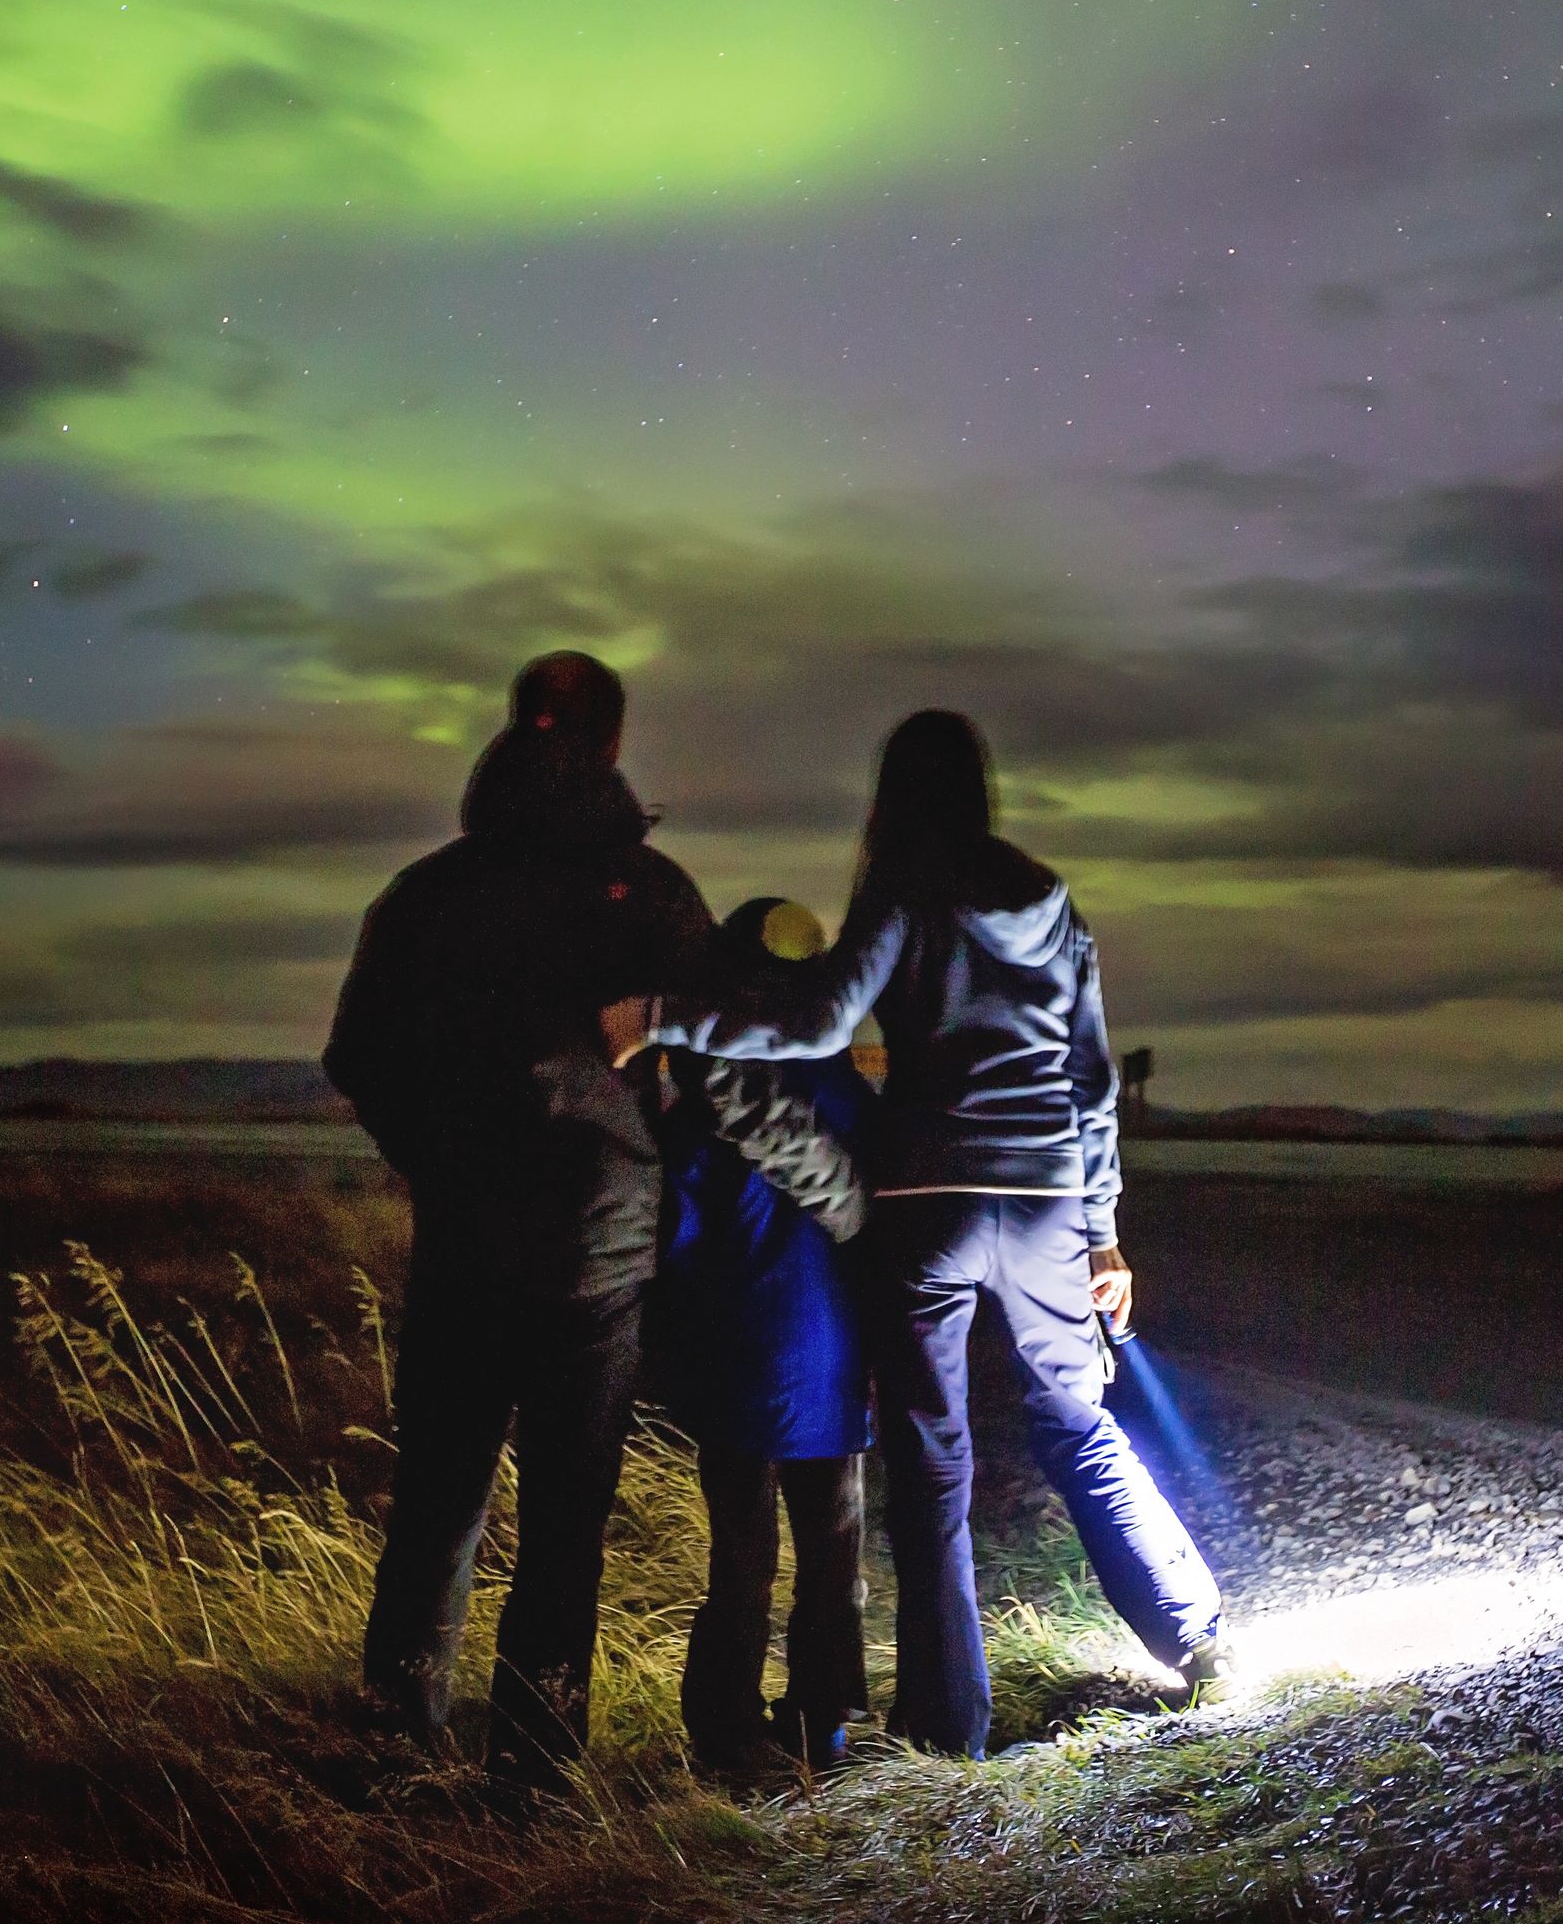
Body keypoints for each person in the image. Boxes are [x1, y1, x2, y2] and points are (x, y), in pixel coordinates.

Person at [612, 709, 1223, 1757]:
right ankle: (1195, 1635)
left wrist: (665, 1014)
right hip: (1042, 1205)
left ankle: (949, 1729)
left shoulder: (899, 888)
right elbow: (1090, 1083)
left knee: (933, 1466)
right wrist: (1103, 1234)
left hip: (926, 1201)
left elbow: (813, 1025)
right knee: (1079, 1419)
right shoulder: (1050, 900)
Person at [323, 653, 863, 1793]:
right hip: (600, 1255)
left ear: (511, 730)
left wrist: (438, 1160)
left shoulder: (425, 895)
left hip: (464, 1244)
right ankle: (535, 1772)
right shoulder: (654, 896)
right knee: (566, 1525)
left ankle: (393, 1748)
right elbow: (721, 1081)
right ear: (614, 746)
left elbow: (356, 1054)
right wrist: (840, 1195)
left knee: (437, 1508)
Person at [647, 895, 877, 1775]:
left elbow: (679, 1237)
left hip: (740, 1359)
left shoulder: (705, 1102)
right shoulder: (851, 1092)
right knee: (832, 1551)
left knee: (741, 1558)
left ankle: (728, 1731)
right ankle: (827, 1723)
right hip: (834, 1361)